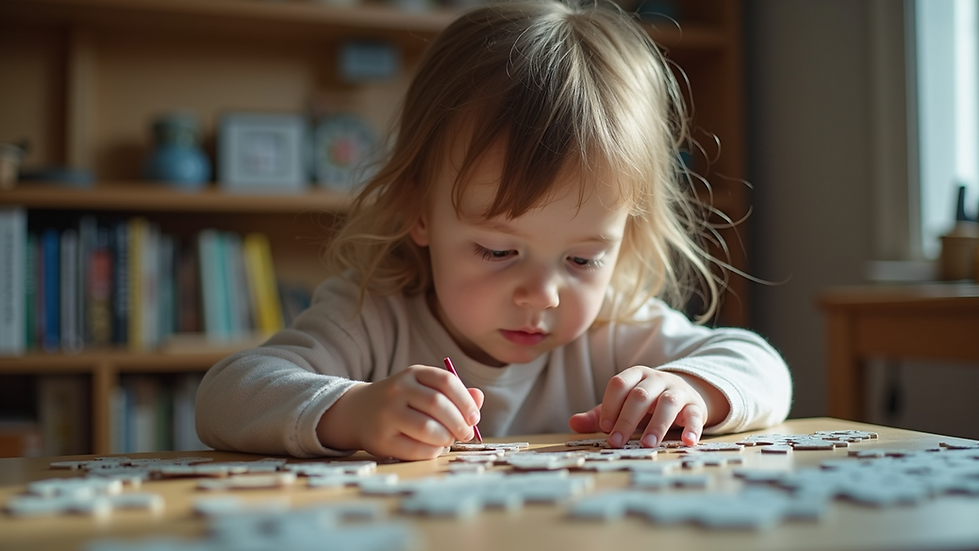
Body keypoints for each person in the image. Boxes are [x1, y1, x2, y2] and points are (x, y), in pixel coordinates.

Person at [196, 0, 792, 460]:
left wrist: (690, 388)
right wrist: (352, 410)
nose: (544, 294)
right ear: (419, 212)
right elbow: (226, 395)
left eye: (583, 259)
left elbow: (761, 367)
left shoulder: (618, 328)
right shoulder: (371, 317)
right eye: (499, 250)